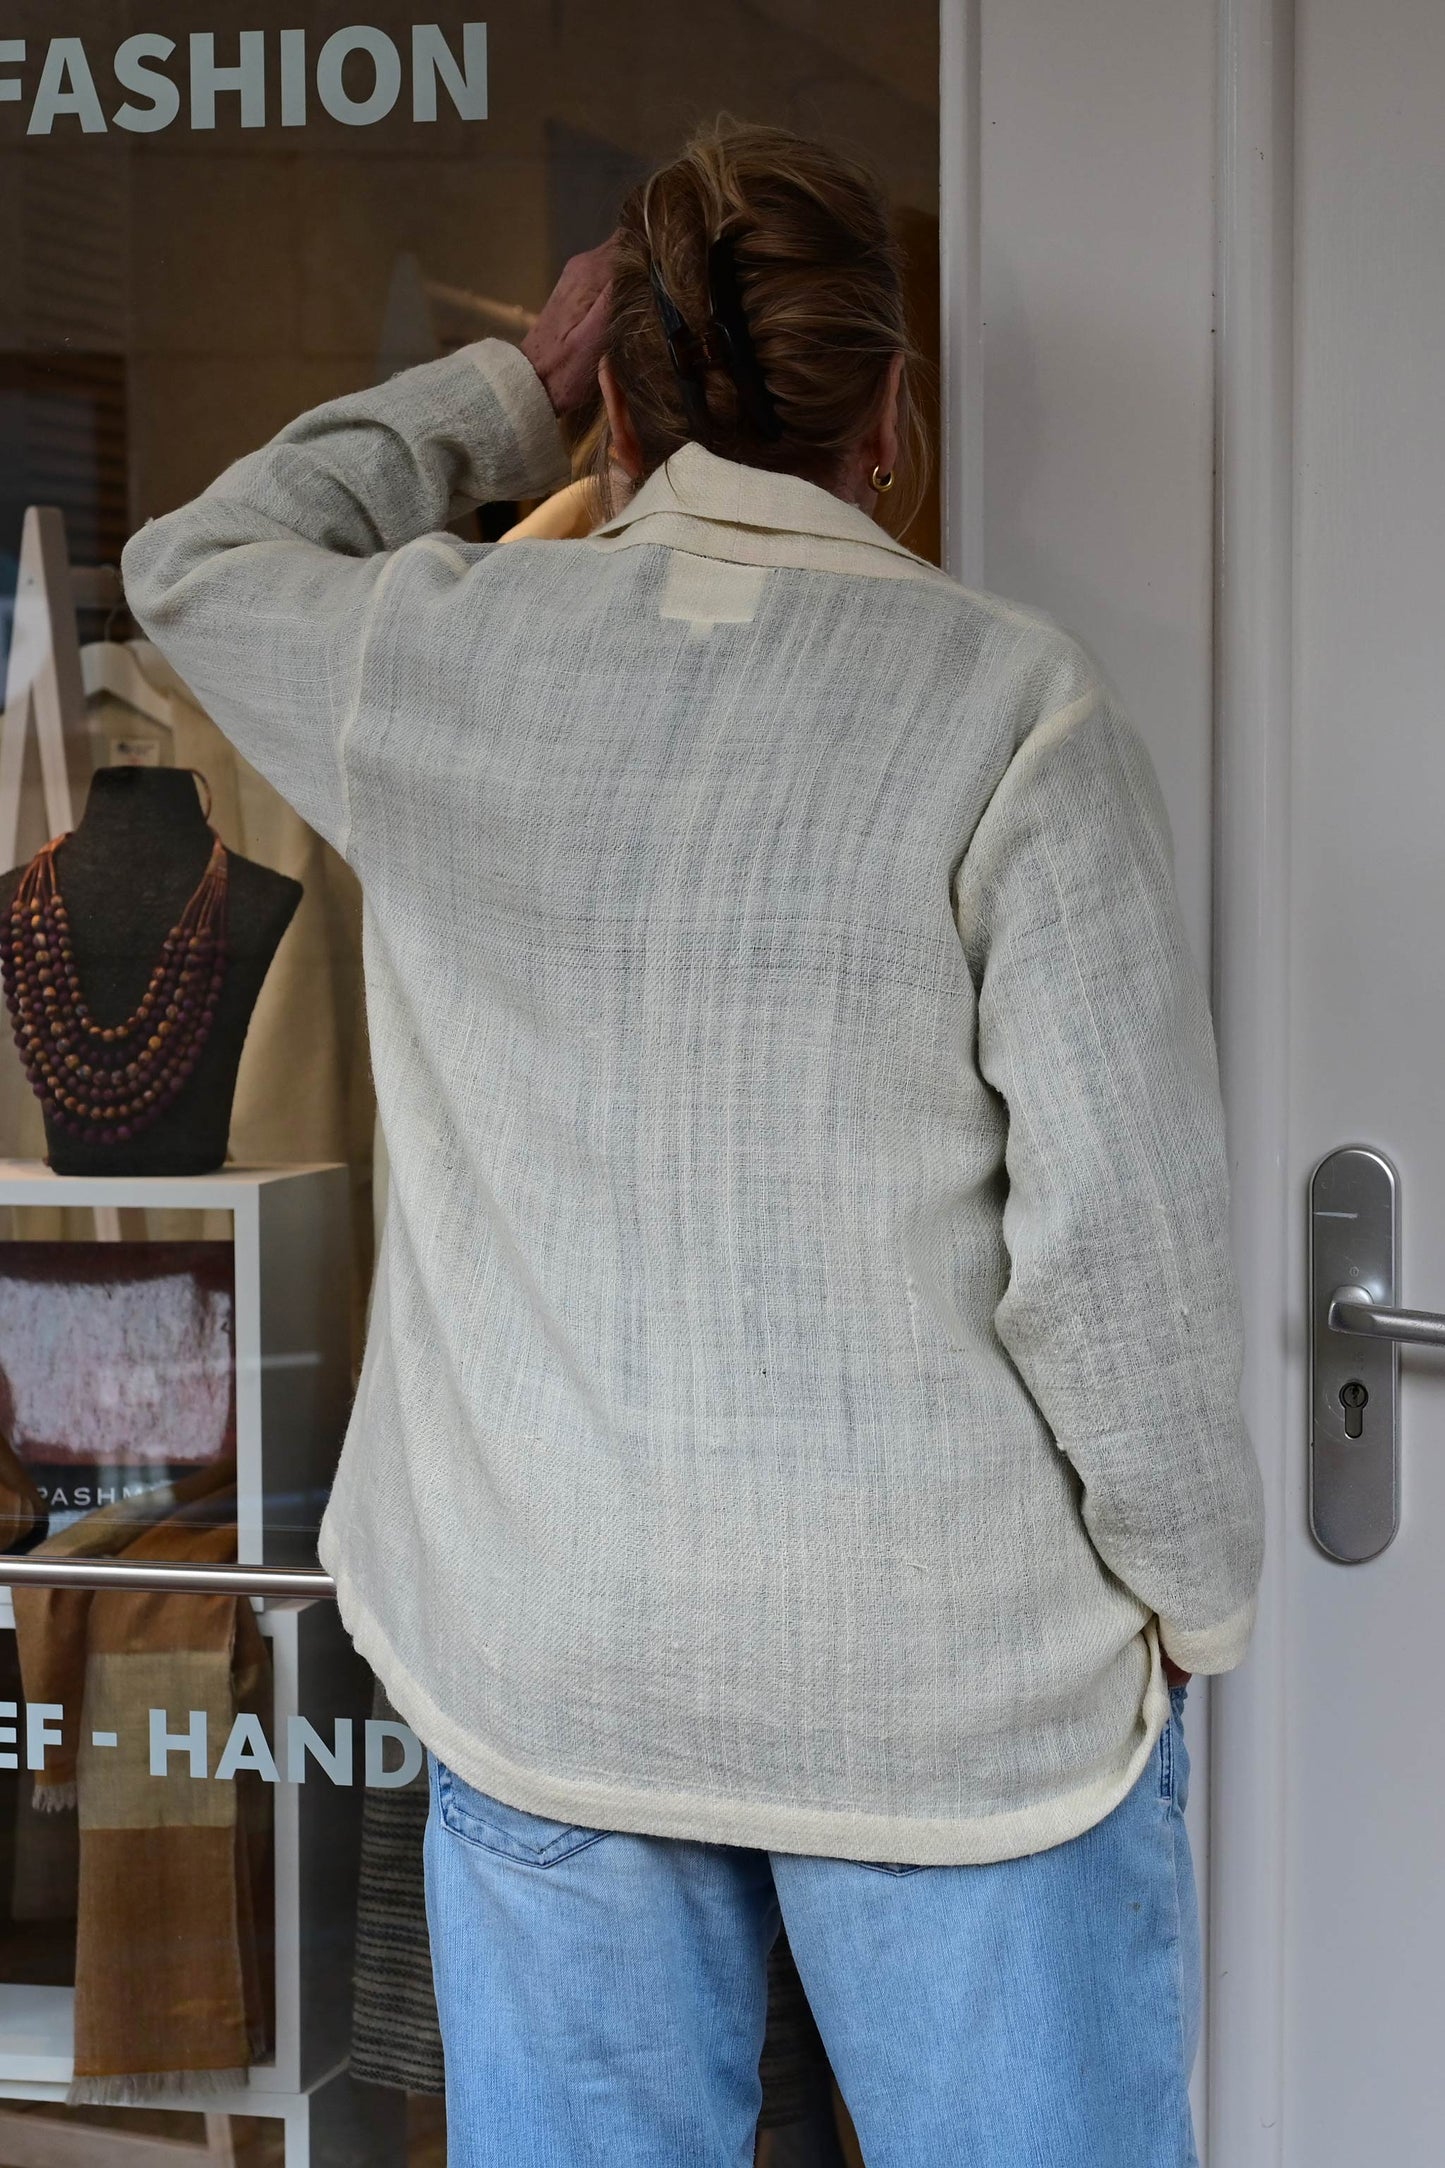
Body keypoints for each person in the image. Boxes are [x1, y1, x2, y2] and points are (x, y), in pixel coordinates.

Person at [122, 117, 1265, 2168]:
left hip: (557, 1657)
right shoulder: (1008, 707)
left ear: (621, 395)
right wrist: (1197, 1595)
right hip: (943, 1682)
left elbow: (196, 556)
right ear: (892, 418)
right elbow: (1119, 1249)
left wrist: (510, 385)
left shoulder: (445, 659)